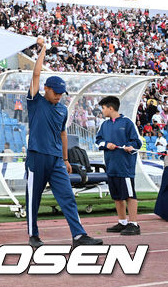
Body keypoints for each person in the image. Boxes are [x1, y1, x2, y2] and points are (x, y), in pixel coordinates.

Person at [25, 37, 102, 247]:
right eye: (56, 92)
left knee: (67, 197)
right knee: (34, 199)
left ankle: (79, 235)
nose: (59, 96)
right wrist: (43, 50)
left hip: (57, 160)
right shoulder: (35, 101)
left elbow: (63, 135)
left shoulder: (62, 109)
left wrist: (66, 159)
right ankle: (33, 235)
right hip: (36, 157)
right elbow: (36, 74)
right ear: (47, 89)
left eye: (62, 93)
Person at [96, 96, 143, 236]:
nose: (102, 111)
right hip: (111, 166)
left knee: (129, 195)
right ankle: (122, 222)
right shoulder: (104, 125)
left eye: (103, 108)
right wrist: (106, 144)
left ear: (111, 108)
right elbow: (98, 141)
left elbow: (137, 142)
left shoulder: (127, 123)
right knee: (117, 196)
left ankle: (133, 224)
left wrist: (130, 146)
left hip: (125, 167)